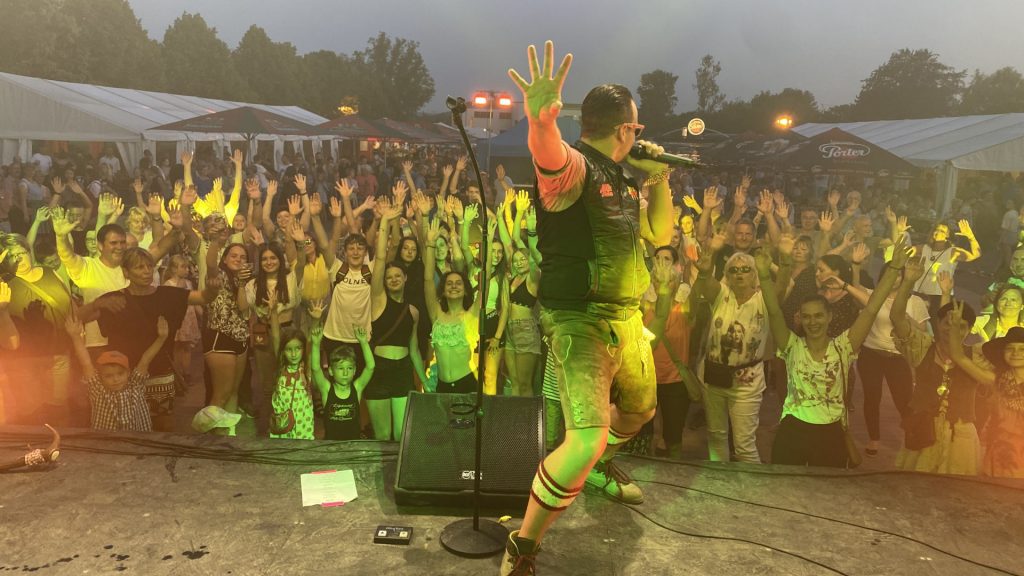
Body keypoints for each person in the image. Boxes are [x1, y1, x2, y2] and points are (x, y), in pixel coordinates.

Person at [500, 41, 674, 575]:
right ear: (626, 129)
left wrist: (660, 176)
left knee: (641, 411)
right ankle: (523, 546)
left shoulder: (626, 180)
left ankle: (597, 467)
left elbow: (662, 233)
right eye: (637, 127)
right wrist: (539, 122)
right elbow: (549, 154)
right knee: (586, 439)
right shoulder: (576, 169)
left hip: (626, 317)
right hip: (579, 320)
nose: (639, 135)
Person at [760, 237, 908, 467]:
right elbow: (774, 311)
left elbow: (871, 310)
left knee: (827, 491)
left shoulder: (843, 346)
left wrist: (895, 269)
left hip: (831, 432)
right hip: (793, 429)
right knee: (785, 488)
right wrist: (764, 274)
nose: (812, 321)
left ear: (829, 317)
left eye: (818, 315)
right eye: (807, 316)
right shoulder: (791, 345)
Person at [891, 261, 981, 475]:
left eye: (960, 325)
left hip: (960, 436)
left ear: (969, 330)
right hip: (923, 430)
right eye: (947, 323)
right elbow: (897, 318)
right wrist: (907, 283)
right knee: (915, 490)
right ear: (938, 324)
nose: (951, 329)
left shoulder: (977, 355)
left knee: (958, 495)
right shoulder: (922, 347)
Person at [366, 194, 428, 440]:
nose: (392, 278)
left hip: (403, 372)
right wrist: (384, 221)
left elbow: (413, 350)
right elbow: (381, 258)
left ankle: (396, 479)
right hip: (379, 371)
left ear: (405, 279)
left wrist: (424, 380)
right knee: (382, 436)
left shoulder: (413, 311)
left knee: (402, 435)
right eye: (388, 276)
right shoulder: (378, 299)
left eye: (397, 276)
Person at [946, 311, 1024, 478]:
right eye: (1010, 348)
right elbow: (959, 357)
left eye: (1022, 349)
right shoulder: (996, 380)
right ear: (1002, 354)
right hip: (998, 455)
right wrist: (954, 329)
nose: (1016, 353)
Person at [66, 309, 167, 432]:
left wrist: (161, 338)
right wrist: (75, 336)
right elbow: (86, 362)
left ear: (128, 373)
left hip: (138, 440)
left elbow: (146, 359)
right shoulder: (98, 389)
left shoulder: (135, 385)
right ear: (101, 377)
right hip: (106, 442)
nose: (115, 379)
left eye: (120, 373)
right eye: (108, 376)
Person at [310, 322, 376, 441]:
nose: (345, 373)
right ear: (330, 371)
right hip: (331, 446)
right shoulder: (327, 389)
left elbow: (370, 366)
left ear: (354, 370)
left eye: (349, 368)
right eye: (340, 368)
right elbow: (315, 368)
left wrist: (363, 342)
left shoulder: (357, 388)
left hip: (353, 445)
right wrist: (315, 344)